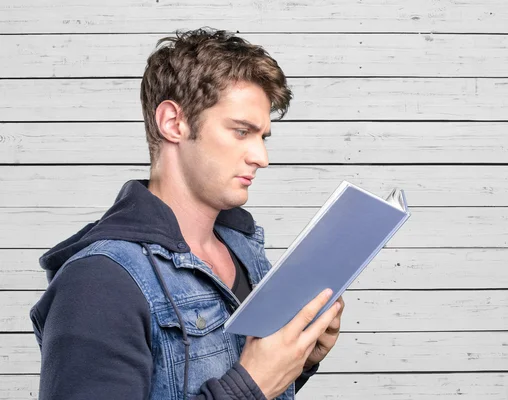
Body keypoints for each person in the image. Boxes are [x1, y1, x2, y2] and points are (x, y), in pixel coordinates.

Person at [29, 28, 345, 400]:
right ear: (173, 123)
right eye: (242, 132)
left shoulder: (245, 252)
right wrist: (250, 388)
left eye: (263, 137)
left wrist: (296, 363)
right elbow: (247, 387)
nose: (261, 157)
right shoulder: (98, 282)